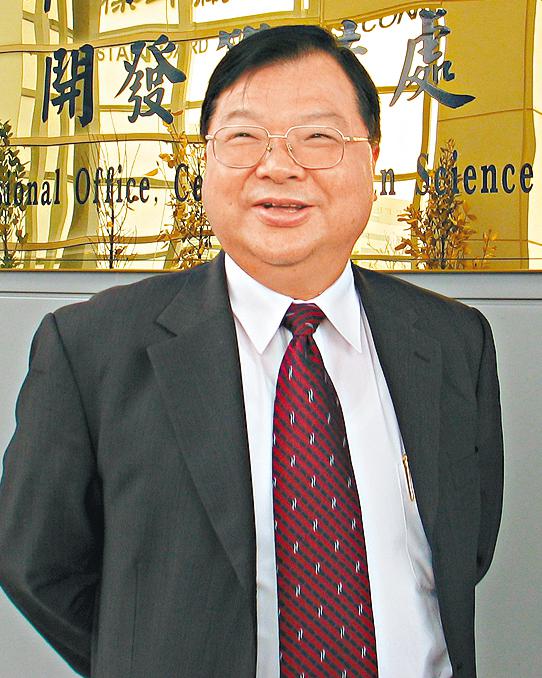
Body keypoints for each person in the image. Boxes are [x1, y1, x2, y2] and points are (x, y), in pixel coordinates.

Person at [0, 25, 503, 678]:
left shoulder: (453, 341)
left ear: (372, 159)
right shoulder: (92, 349)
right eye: (243, 137)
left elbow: (465, 549)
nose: (279, 165)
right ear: (205, 161)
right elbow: (36, 560)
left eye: (317, 137)